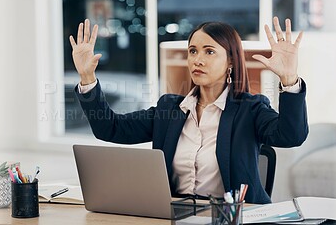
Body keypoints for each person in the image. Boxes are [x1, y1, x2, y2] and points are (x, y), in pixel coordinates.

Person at [69, 17, 308, 204]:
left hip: (230, 217)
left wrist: (289, 79)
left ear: (231, 62)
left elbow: (291, 135)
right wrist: (87, 77)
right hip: (176, 215)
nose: (197, 59)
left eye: (209, 51)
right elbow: (110, 128)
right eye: (193, 51)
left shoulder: (251, 109)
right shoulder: (169, 109)